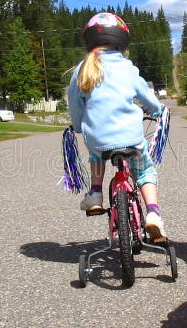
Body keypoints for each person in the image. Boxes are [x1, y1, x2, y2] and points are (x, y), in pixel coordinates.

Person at [68, 12, 167, 240]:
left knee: (96, 154)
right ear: (122, 41)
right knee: (145, 170)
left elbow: (75, 103)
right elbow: (147, 96)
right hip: (131, 138)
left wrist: (78, 126)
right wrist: (158, 111)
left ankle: (94, 194)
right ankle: (153, 213)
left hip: (98, 140)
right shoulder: (127, 68)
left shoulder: (83, 68)